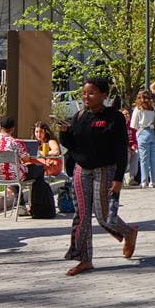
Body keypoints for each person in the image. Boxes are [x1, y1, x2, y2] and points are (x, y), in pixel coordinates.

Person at [62, 77, 138, 276]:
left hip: (105, 170)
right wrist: (63, 133)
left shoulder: (114, 118)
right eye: (84, 93)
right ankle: (84, 259)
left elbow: (121, 149)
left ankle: (129, 233)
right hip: (81, 170)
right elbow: (73, 144)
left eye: (92, 92)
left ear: (104, 95)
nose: (87, 96)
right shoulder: (79, 116)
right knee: (82, 216)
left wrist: (119, 178)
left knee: (104, 216)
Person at [0, 116, 31, 216]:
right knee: (33, 171)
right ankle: (29, 205)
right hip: (14, 175)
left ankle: (20, 203)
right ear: (12, 128)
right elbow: (26, 159)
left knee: (13, 172)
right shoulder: (15, 142)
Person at [30, 121, 68, 217]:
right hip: (44, 166)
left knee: (32, 169)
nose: (38, 134)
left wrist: (45, 153)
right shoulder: (36, 143)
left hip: (53, 166)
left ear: (46, 132)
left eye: (41, 131)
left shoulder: (50, 141)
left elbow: (56, 151)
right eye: (36, 132)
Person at [130, 90, 155, 190]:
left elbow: (133, 125)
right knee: (154, 158)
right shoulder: (153, 109)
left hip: (143, 132)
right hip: (153, 133)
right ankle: (154, 181)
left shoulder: (138, 109)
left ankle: (144, 181)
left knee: (144, 159)